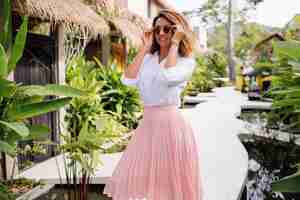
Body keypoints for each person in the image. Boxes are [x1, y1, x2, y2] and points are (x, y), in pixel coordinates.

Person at [103, 9, 203, 200]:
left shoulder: (186, 62)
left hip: (171, 127)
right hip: (147, 126)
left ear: (178, 32)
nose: (162, 34)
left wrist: (174, 44)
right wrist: (145, 47)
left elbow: (167, 76)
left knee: (168, 185)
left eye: (168, 29)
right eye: (157, 30)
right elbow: (127, 79)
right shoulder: (148, 59)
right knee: (142, 182)